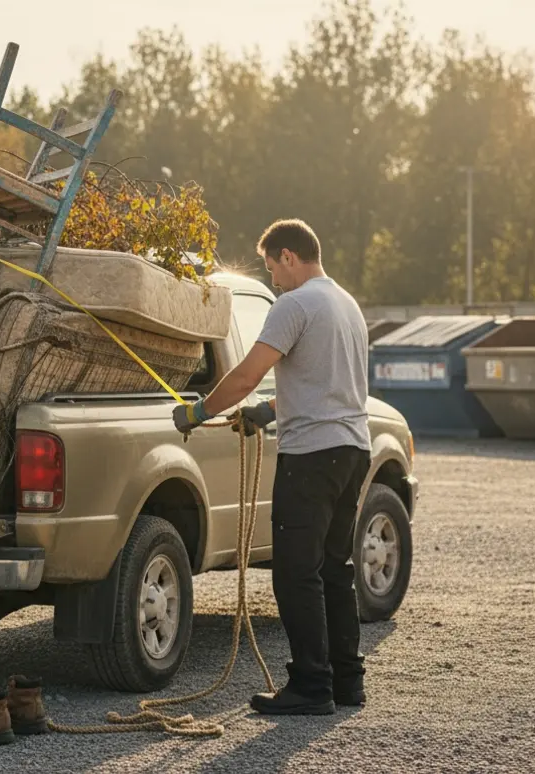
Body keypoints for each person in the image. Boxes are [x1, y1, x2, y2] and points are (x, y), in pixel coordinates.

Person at [172, 218, 371, 716]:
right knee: (333, 569)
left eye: (272, 269)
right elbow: (321, 382)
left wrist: (198, 411)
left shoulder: (294, 304)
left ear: (288, 256)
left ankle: (310, 686)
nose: (273, 280)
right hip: (352, 450)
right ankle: (347, 682)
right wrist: (268, 411)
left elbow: (245, 376)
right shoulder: (346, 305)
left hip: (312, 457)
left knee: (295, 574)